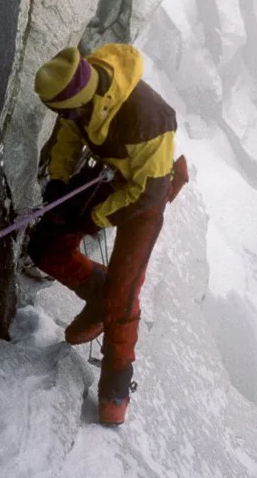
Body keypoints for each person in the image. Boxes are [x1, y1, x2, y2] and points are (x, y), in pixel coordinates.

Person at [28, 43, 187, 426]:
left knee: (124, 291)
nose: (64, 117)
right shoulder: (78, 91)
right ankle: (97, 292)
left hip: (148, 194)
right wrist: (61, 181)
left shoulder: (150, 119)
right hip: (114, 175)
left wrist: (95, 216)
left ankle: (117, 381)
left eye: (68, 111)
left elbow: (145, 194)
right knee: (45, 245)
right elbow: (69, 134)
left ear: (87, 100)